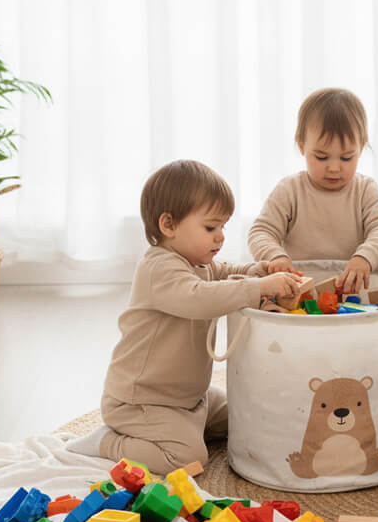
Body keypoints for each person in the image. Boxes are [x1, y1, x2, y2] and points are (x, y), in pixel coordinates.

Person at [66, 159, 302, 474]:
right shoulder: (158, 268)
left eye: (222, 228)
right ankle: (107, 442)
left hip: (190, 398)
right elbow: (199, 298)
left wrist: (258, 271)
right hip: (142, 402)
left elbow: (227, 274)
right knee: (188, 459)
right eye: (210, 227)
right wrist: (258, 288)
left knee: (245, 413)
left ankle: (185, 427)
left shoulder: (199, 262)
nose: (220, 237)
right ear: (169, 225)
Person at [248, 88, 378, 294]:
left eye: (346, 158)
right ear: (302, 146)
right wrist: (275, 256)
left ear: (361, 148)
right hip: (297, 292)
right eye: (321, 157)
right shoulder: (289, 190)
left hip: (350, 292)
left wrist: (364, 257)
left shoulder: (366, 190)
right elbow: (261, 231)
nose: (334, 168)